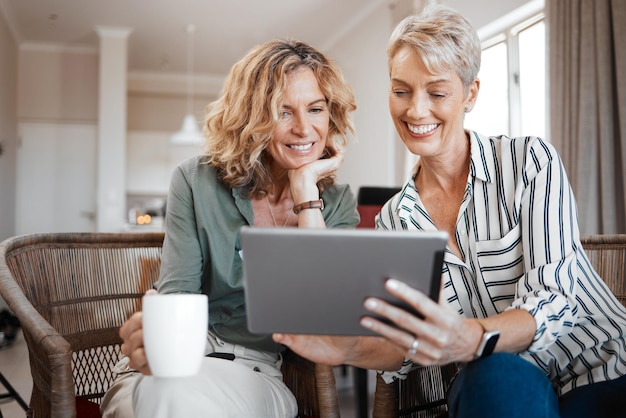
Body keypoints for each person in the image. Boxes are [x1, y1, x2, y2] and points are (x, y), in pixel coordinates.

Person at [273, 5, 626, 418]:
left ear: (470, 94)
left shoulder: (528, 162)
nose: (416, 111)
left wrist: (470, 337)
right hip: (499, 389)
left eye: (437, 93)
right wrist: (344, 347)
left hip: (600, 367)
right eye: (401, 90)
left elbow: (557, 297)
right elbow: (405, 343)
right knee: (495, 376)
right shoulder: (394, 219)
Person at [100, 39, 359, 418]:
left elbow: (319, 319)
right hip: (171, 360)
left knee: (166, 399)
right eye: (283, 112)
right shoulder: (195, 179)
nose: (304, 128)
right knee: (158, 394)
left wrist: (306, 195)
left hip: (254, 373)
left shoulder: (335, 203)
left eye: (315, 109)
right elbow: (177, 295)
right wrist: (155, 341)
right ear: (252, 118)